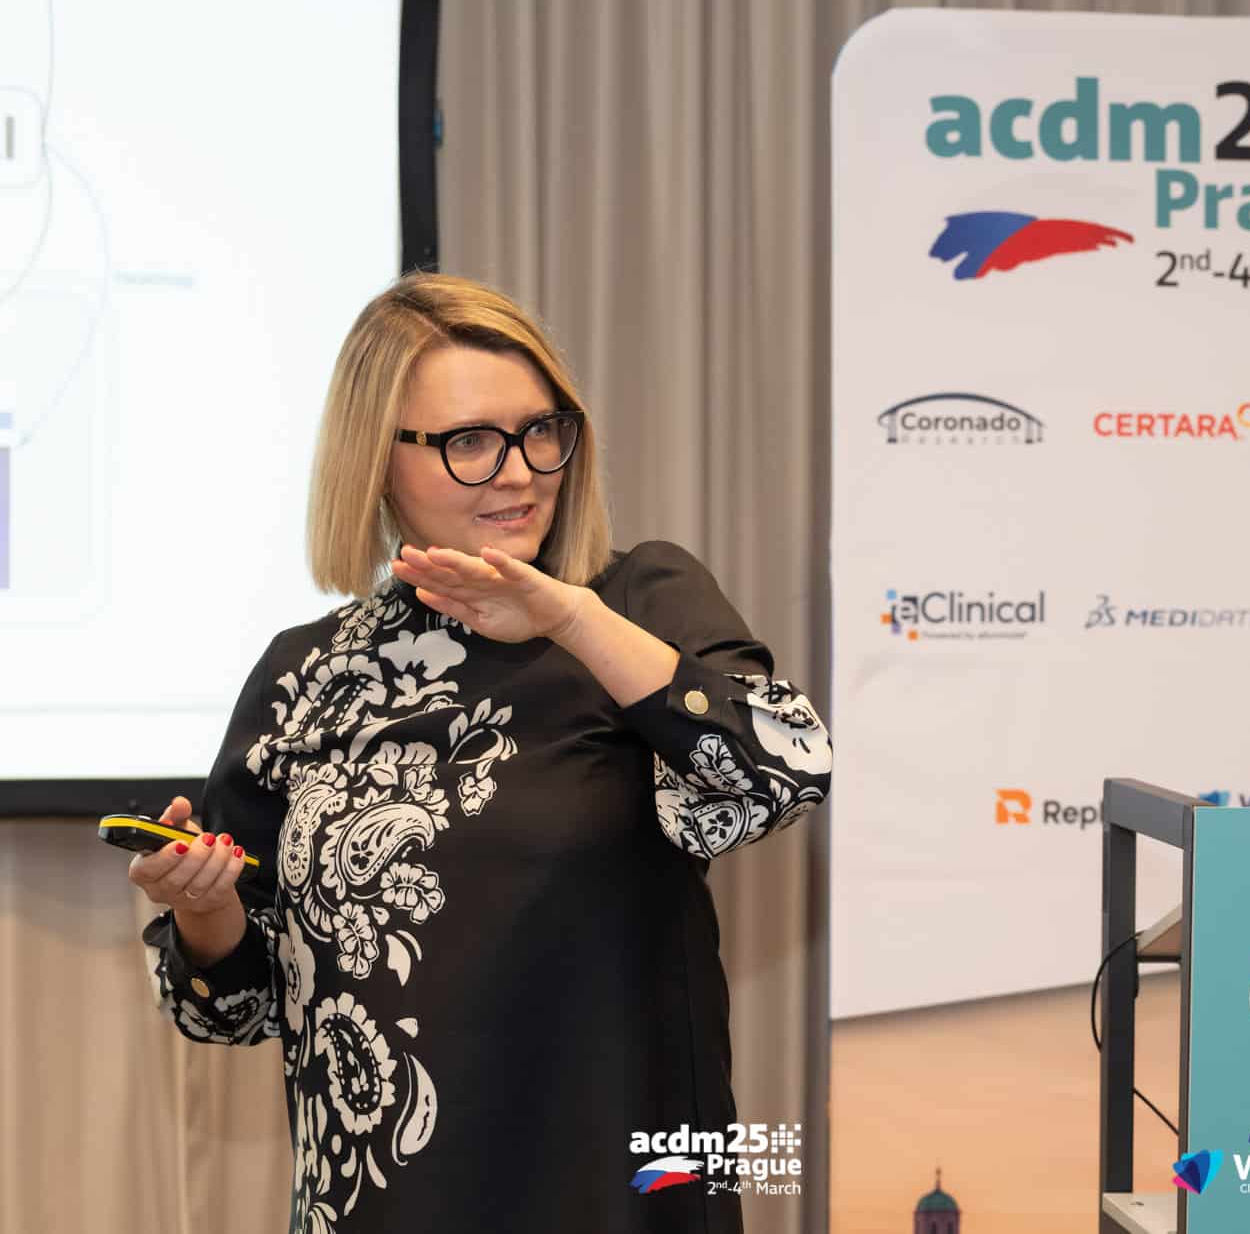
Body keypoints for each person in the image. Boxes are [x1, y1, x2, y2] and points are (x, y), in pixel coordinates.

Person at [127, 272, 830, 1233]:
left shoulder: (638, 603)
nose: (518, 471)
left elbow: (785, 768)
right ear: (377, 460)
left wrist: (569, 617)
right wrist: (206, 911)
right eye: (469, 442)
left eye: (541, 431)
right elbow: (232, 1007)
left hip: (614, 1191)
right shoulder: (303, 674)